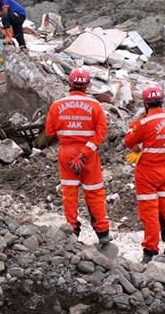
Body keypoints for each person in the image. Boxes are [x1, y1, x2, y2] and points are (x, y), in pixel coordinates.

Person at [38, 68, 111, 245]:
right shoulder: (95, 106)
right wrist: (85, 152)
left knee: (69, 193)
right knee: (94, 193)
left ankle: (72, 229)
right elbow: (101, 133)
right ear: (87, 85)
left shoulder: (56, 105)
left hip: (67, 153)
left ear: (69, 83)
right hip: (89, 154)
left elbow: (50, 131)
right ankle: (102, 233)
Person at [125, 84, 165, 263]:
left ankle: (150, 251)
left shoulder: (144, 123)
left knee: (149, 212)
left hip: (147, 172)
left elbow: (129, 141)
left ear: (146, 103)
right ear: (162, 101)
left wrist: (134, 124)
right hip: (164, 170)